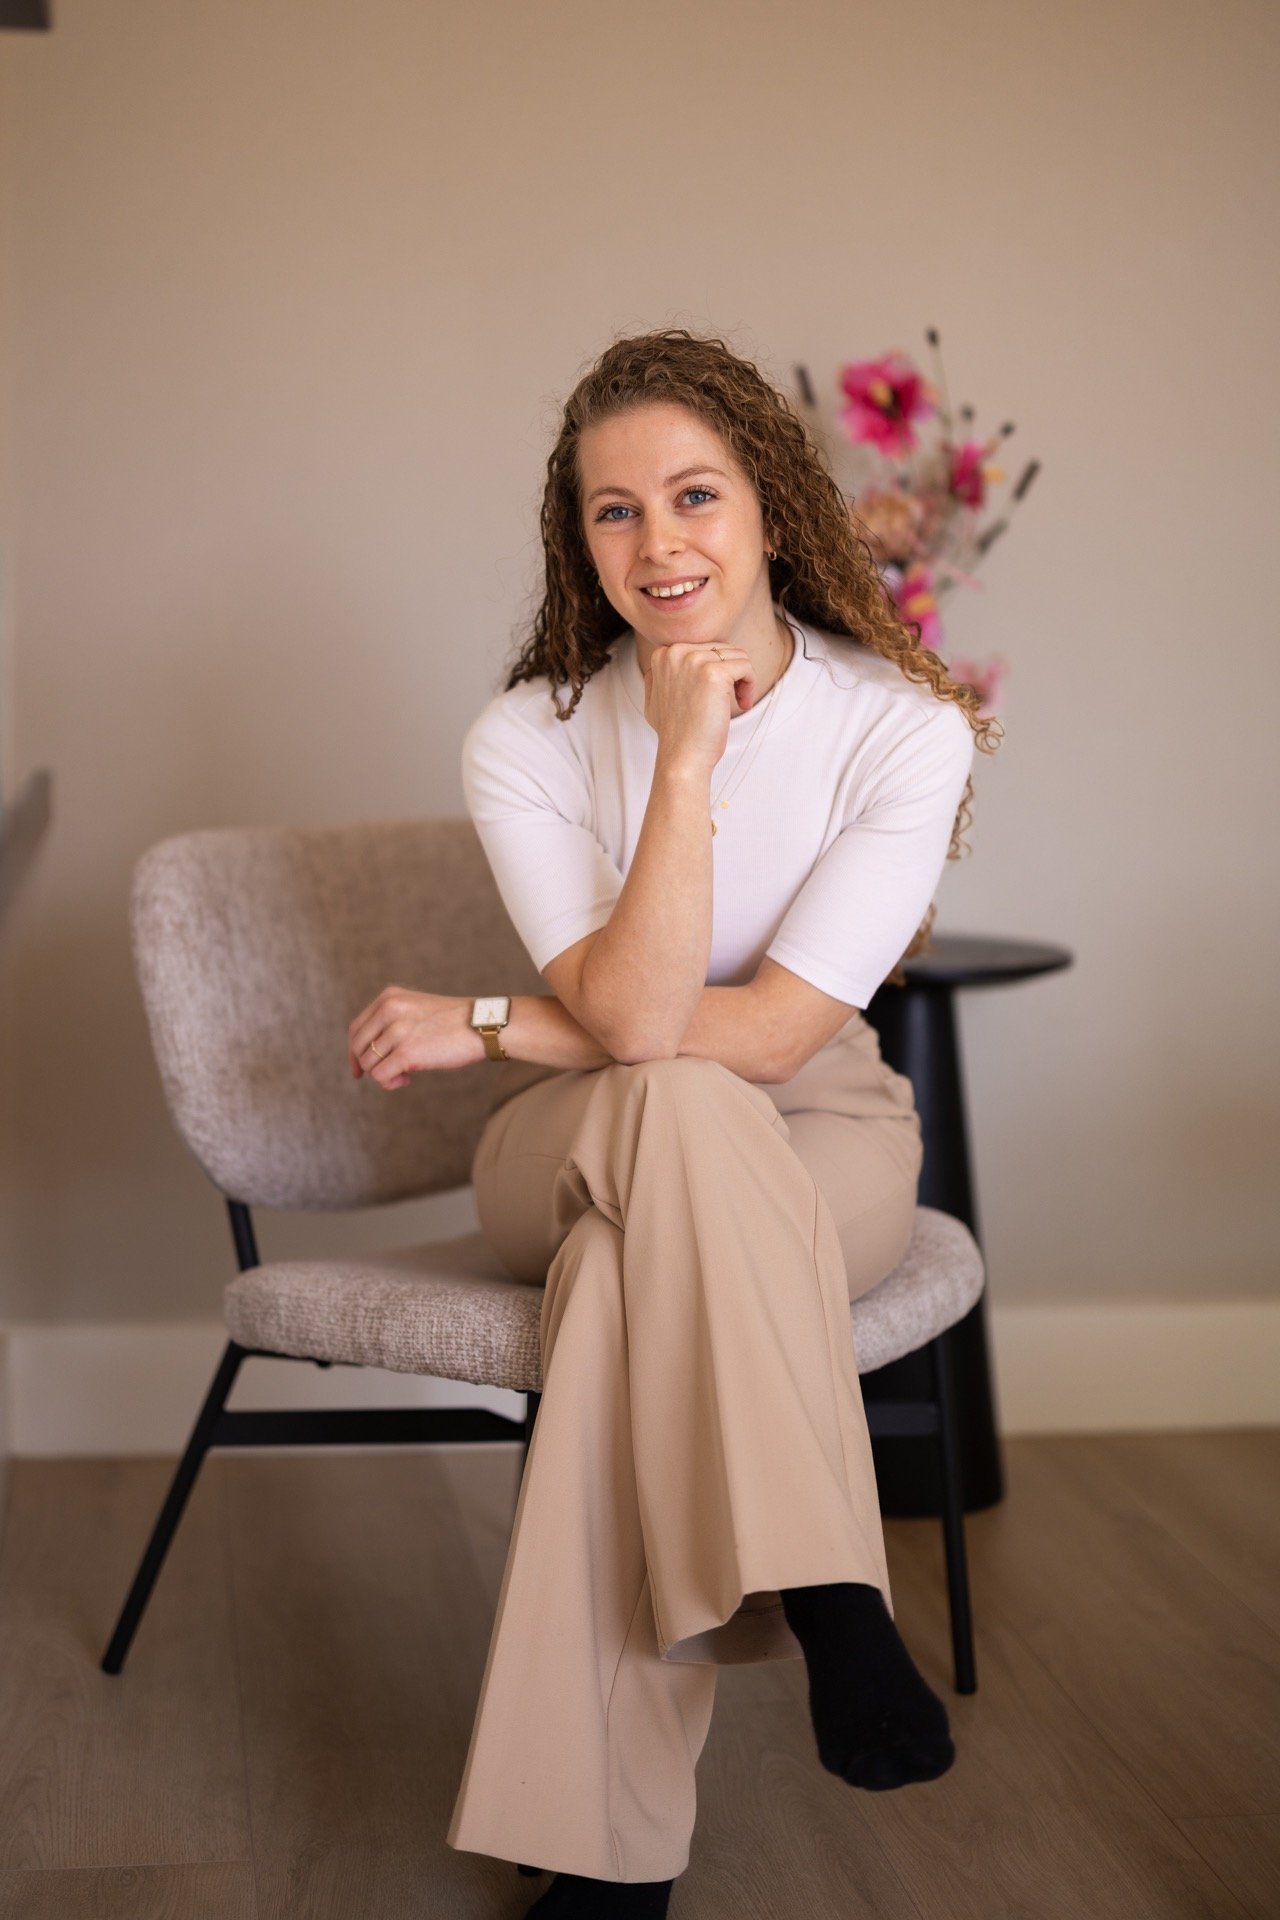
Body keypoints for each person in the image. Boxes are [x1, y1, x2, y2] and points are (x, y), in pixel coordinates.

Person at [347, 327, 1003, 1917]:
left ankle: (599, 1860)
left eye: (694, 496)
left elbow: (781, 1032)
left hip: (814, 1125)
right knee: (665, 1104)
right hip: (570, 1134)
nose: (658, 543)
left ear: (772, 506)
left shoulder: (900, 727)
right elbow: (636, 1037)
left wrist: (487, 1015)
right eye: (613, 512)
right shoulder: (531, 734)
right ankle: (834, 1589)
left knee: (627, 1300)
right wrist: (686, 755)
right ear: (577, 540)